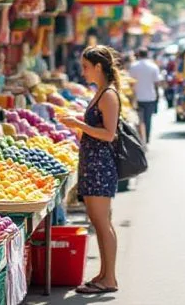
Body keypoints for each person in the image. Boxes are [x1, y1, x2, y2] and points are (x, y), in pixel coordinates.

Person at [58, 45, 121, 296]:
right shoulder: (100, 93)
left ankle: (109, 278)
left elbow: (108, 134)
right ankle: (105, 275)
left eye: (86, 67)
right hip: (93, 164)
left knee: (102, 223)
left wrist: (79, 124)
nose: (82, 71)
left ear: (98, 67)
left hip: (100, 165)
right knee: (100, 221)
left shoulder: (108, 95)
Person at [128, 48, 161, 143]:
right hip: (150, 96)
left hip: (137, 97)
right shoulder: (153, 66)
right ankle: (147, 138)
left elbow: (130, 83)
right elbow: (156, 83)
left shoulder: (134, 66)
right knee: (148, 119)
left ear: (138, 54)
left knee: (139, 119)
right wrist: (157, 95)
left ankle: (140, 138)